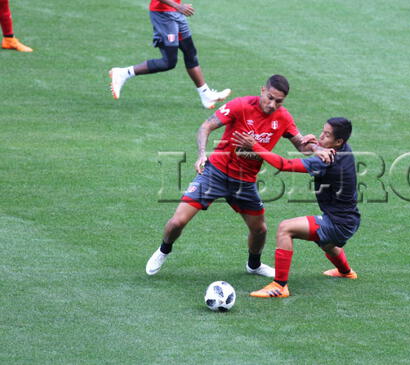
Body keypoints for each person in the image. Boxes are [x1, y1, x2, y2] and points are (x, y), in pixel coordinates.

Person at [145, 75, 334, 278]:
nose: (272, 105)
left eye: (278, 101)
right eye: (269, 98)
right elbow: (205, 127)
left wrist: (315, 148)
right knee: (177, 222)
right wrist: (201, 154)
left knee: (260, 230)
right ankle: (164, 250)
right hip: (215, 173)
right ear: (262, 90)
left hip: (244, 181)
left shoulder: (283, 118)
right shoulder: (240, 105)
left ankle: (254, 265)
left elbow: (300, 143)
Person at [231, 117, 360, 298]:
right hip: (349, 220)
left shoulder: (327, 161)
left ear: (338, 141)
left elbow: (284, 165)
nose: (321, 136)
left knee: (286, 228)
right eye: (322, 131)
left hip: (339, 223)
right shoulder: (344, 149)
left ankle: (280, 285)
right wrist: (316, 145)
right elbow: (321, 151)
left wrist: (256, 146)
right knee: (326, 241)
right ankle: (346, 272)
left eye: (327, 135)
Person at [109, 0, 229, 109]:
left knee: (190, 53)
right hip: (163, 14)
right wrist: (178, 6)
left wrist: (177, 7)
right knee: (168, 62)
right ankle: (123, 73)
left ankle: (206, 94)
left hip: (175, 11)